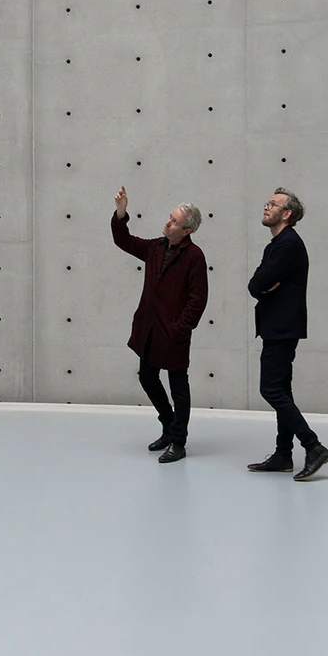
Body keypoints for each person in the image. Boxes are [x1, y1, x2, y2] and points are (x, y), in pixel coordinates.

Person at [111, 186, 208, 463]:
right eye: (169, 217)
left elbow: (198, 299)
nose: (168, 223)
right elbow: (124, 241)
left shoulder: (194, 256)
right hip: (150, 330)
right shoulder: (156, 248)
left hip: (173, 333)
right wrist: (121, 213)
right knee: (147, 377)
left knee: (178, 386)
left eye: (175, 221)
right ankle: (168, 425)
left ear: (187, 230)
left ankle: (178, 442)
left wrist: (180, 328)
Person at [247, 189, 328, 481]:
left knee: (270, 390)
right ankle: (283, 454)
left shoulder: (288, 245)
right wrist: (263, 285)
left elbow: (257, 283)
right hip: (278, 326)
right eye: (267, 202)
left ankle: (313, 446)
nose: (266, 206)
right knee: (281, 389)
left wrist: (263, 285)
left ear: (287, 214)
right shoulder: (278, 244)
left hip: (282, 328)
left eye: (273, 204)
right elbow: (258, 284)